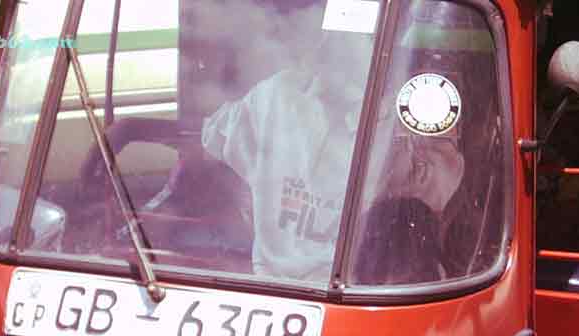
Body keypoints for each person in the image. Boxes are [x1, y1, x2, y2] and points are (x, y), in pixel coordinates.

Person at [200, 31, 466, 283]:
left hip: (352, 292)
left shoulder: (411, 124)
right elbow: (214, 136)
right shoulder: (277, 96)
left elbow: (213, 136)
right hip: (300, 290)